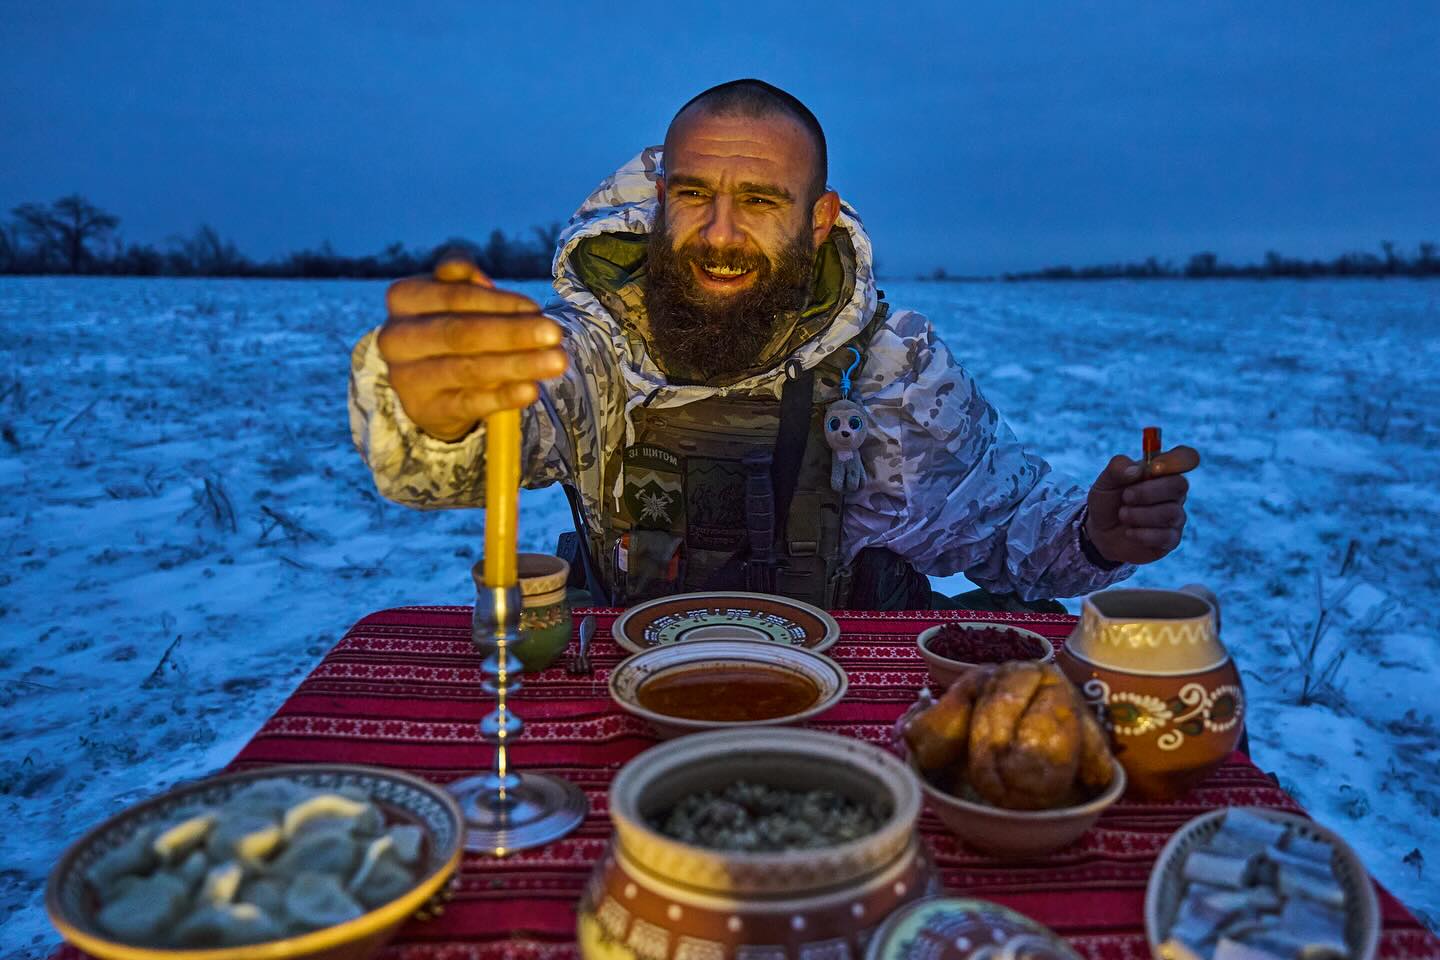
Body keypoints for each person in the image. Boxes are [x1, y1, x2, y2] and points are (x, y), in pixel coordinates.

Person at [349, 79, 1199, 611]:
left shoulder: (892, 369)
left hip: (831, 702)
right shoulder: (598, 348)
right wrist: (433, 408)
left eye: (758, 200)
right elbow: (491, 438)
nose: (719, 234)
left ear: (818, 218)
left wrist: (1098, 532)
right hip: (622, 693)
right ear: (659, 201)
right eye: (694, 195)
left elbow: (1009, 529)